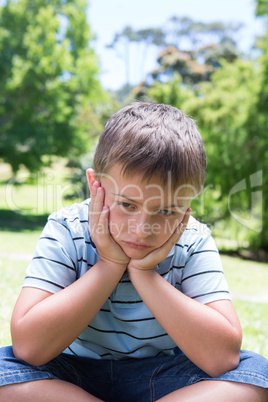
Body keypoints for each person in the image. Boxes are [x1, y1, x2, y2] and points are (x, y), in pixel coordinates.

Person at [0, 103, 267, 402]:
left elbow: (223, 358)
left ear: (188, 204)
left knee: (256, 378)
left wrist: (144, 274)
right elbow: (28, 348)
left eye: (166, 211)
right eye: (128, 205)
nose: (142, 229)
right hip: (70, 377)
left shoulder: (193, 239)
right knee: (4, 375)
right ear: (94, 185)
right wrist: (109, 265)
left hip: (166, 378)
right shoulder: (67, 229)